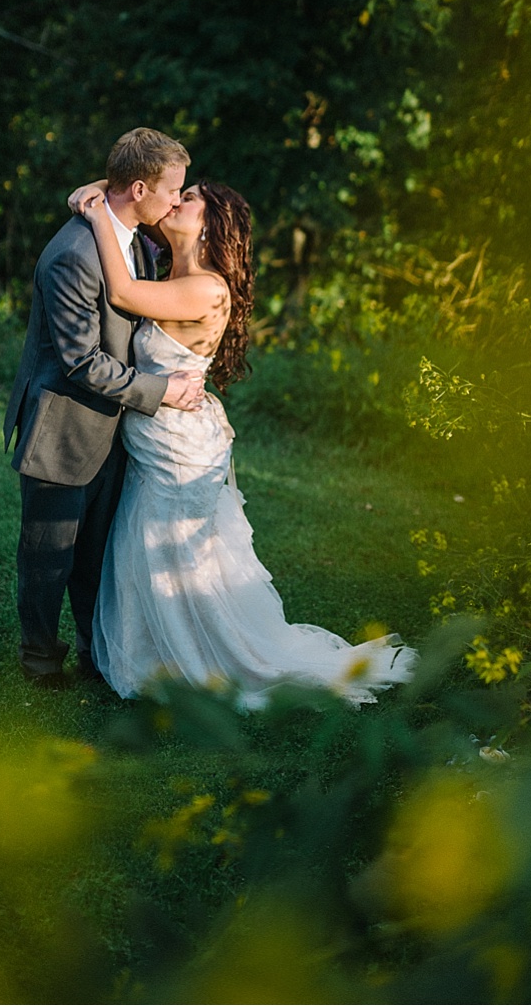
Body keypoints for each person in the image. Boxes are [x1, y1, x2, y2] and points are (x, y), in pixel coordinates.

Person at [66, 173, 417, 709]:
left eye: (188, 200)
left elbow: (120, 292)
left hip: (178, 452)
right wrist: (110, 191)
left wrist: (94, 214)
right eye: (177, 195)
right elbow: (135, 195)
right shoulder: (174, 269)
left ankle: (207, 661)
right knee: (150, 546)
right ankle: (160, 651)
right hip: (163, 443)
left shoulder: (205, 286)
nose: (175, 203)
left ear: (211, 227)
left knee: (175, 553)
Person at [3, 128, 206, 688]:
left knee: (95, 559)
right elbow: (81, 362)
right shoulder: (74, 254)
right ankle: (41, 661)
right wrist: (160, 391)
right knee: (49, 560)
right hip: (63, 429)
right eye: (171, 191)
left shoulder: (135, 235)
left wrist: (95, 188)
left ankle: (100, 657)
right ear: (139, 188)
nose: (174, 202)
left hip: (113, 431)